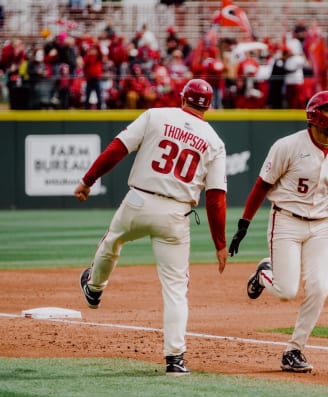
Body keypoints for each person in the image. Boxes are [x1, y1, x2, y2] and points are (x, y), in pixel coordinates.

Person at [74, 78, 228, 376]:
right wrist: (219, 244)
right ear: (209, 106)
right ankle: (175, 359)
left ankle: (94, 287)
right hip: (176, 214)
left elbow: (117, 149)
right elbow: (216, 198)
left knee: (112, 243)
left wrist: (87, 181)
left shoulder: (157, 115)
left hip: (139, 200)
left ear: (183, 97)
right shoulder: (214, 141)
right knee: (175, 291)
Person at [228, 90, 328, 373]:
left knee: (320, 287)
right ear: (315, 114)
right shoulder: (288, 146)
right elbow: (261, 185)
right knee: (285, 290)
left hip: (320, 227)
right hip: (286, 222)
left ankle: (294, 350)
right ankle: (264, 272)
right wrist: (244, 224)